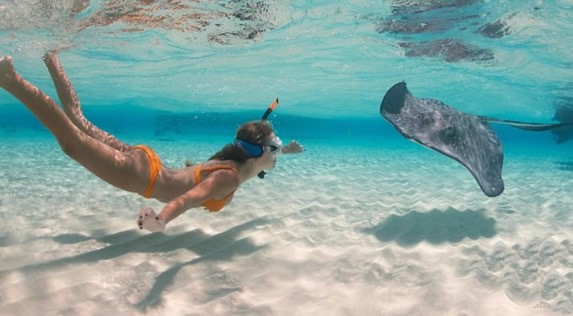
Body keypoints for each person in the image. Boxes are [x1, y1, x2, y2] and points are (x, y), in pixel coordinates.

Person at [0, 53, 304, 232]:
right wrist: (162, 220)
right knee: (73, 143)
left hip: (147, 162)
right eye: (274, 147)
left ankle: (51, 56)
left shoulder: (237, 163)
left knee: (79, 121)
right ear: (256, 154)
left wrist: (283, 152)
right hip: (141, 175)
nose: (277, 153)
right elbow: (190, 198)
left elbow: (261, 156)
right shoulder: (228, 176)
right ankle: (11, 80)